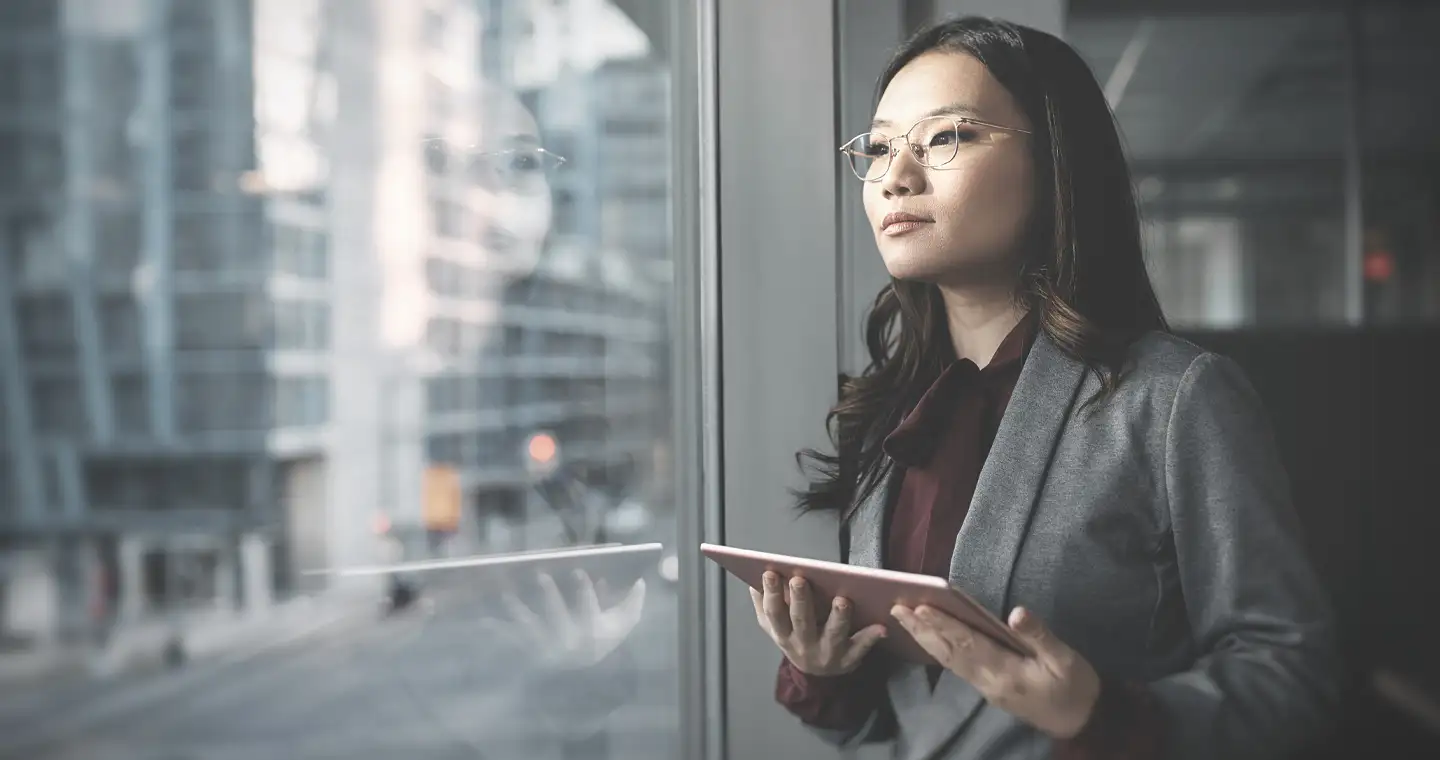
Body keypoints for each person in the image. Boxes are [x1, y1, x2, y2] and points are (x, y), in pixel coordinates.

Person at [750, 16, 1341, 760]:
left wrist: (1100, 713)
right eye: (878, 146)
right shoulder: (893, 415)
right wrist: (825, 670)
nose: (896, 176)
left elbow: (1297, 682)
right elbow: (900, 729)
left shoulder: (1172, 398)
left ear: (1056, 161)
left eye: (945, 137)